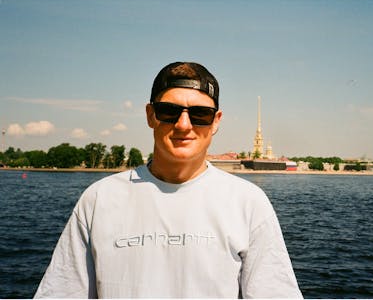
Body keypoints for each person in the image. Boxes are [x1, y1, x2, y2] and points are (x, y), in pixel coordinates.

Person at [35, 62, 302, 298]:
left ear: (216, 121)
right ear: (151, 115)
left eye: (200, 114)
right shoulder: (98, 200)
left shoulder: (249, 204)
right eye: (169, 111)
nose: (184, 124)